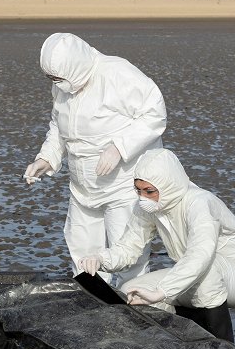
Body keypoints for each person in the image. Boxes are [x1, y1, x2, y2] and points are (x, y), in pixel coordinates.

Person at [78, 148, 235, 342]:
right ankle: (189, 335)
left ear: (167, 185)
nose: (143, 197)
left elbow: (200, 254)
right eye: (139, 190)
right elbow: (129, 248)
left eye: (149, 191)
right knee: (131, 292)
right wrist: (101, 258)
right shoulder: (148, 206)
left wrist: (161, 292)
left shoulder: (200, 202)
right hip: (194, 274)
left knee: (205, 273)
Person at [23, 32, 166, 284]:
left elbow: (154, 114)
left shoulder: (117, 73)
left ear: (75, 66)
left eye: (59, 78)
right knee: (82, 253)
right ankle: (92, 305)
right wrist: (47, 157)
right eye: (52, 79)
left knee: (127, 252)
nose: (57, 83)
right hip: (82, 188)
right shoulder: (63, 85)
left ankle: (134, 307)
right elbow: (59, 125)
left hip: (122, 185)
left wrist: (119, 148)